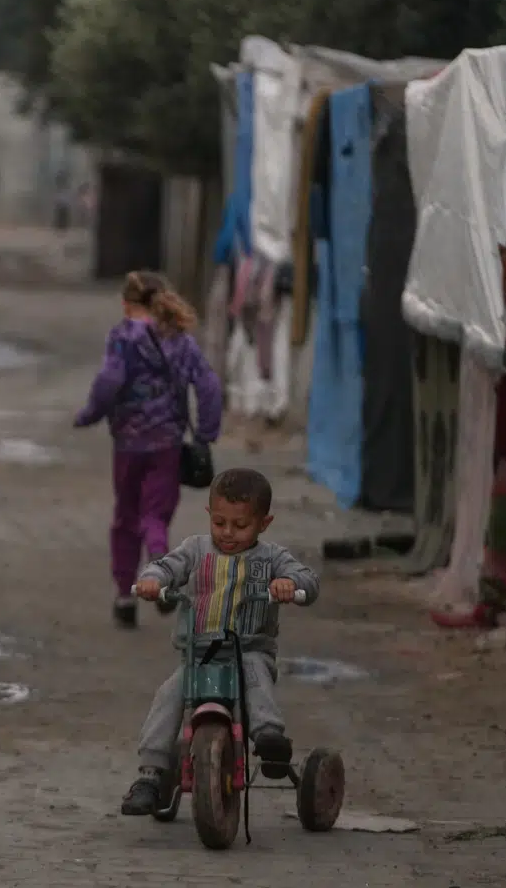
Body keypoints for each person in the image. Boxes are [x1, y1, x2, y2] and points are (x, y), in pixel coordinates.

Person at [122, 468, 319, 816]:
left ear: (263, 523)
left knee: (255, 675)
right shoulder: (195, 550)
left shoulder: (272, 557)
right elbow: (166, 566)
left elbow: (307, 579)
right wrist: (152, 580)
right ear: (209, 516)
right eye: (220, 523)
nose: (228, 533)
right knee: (169, 695)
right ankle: (150, 775)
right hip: (199, 654)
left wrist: (289, 583)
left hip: (249, 649)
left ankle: (268, 738)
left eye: (240, 526)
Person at [74, 271, 222, 628]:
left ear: (127, 304)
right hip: (167, 445)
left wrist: (90, 414)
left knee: (125, 517)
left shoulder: (122, 338)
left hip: (128, 445)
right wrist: (205, 432)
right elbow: (209, 385)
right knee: (155, 515)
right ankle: (159, 564)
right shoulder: (181, 341)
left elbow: (109, 381)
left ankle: (125, 597)